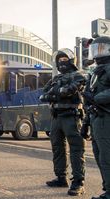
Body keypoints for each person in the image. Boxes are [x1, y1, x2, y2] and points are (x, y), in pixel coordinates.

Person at [40, 48, 86, 196]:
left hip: (71, 117)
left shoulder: (78, 76)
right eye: (59, 60)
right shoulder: (55, 79)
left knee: (76, 149)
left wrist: (56, 93)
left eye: (64, 59)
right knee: (57, 148)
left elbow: (70, 90)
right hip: (56, 117)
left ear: (72, 60)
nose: (61, 63)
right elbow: (43, 95)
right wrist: (58, 93)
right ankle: (61, 177)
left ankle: (78, 182)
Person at [82, 36, 110, 199]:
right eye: (95, 49)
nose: (97, 53)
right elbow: (88, 97)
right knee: (100, 156)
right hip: (95, 118)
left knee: (107, 156)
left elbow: (95, 96)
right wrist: (86, 124)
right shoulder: (95, 72)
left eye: (101, 48)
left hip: (106, 118)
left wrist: (97, 98)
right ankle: (107, 189)